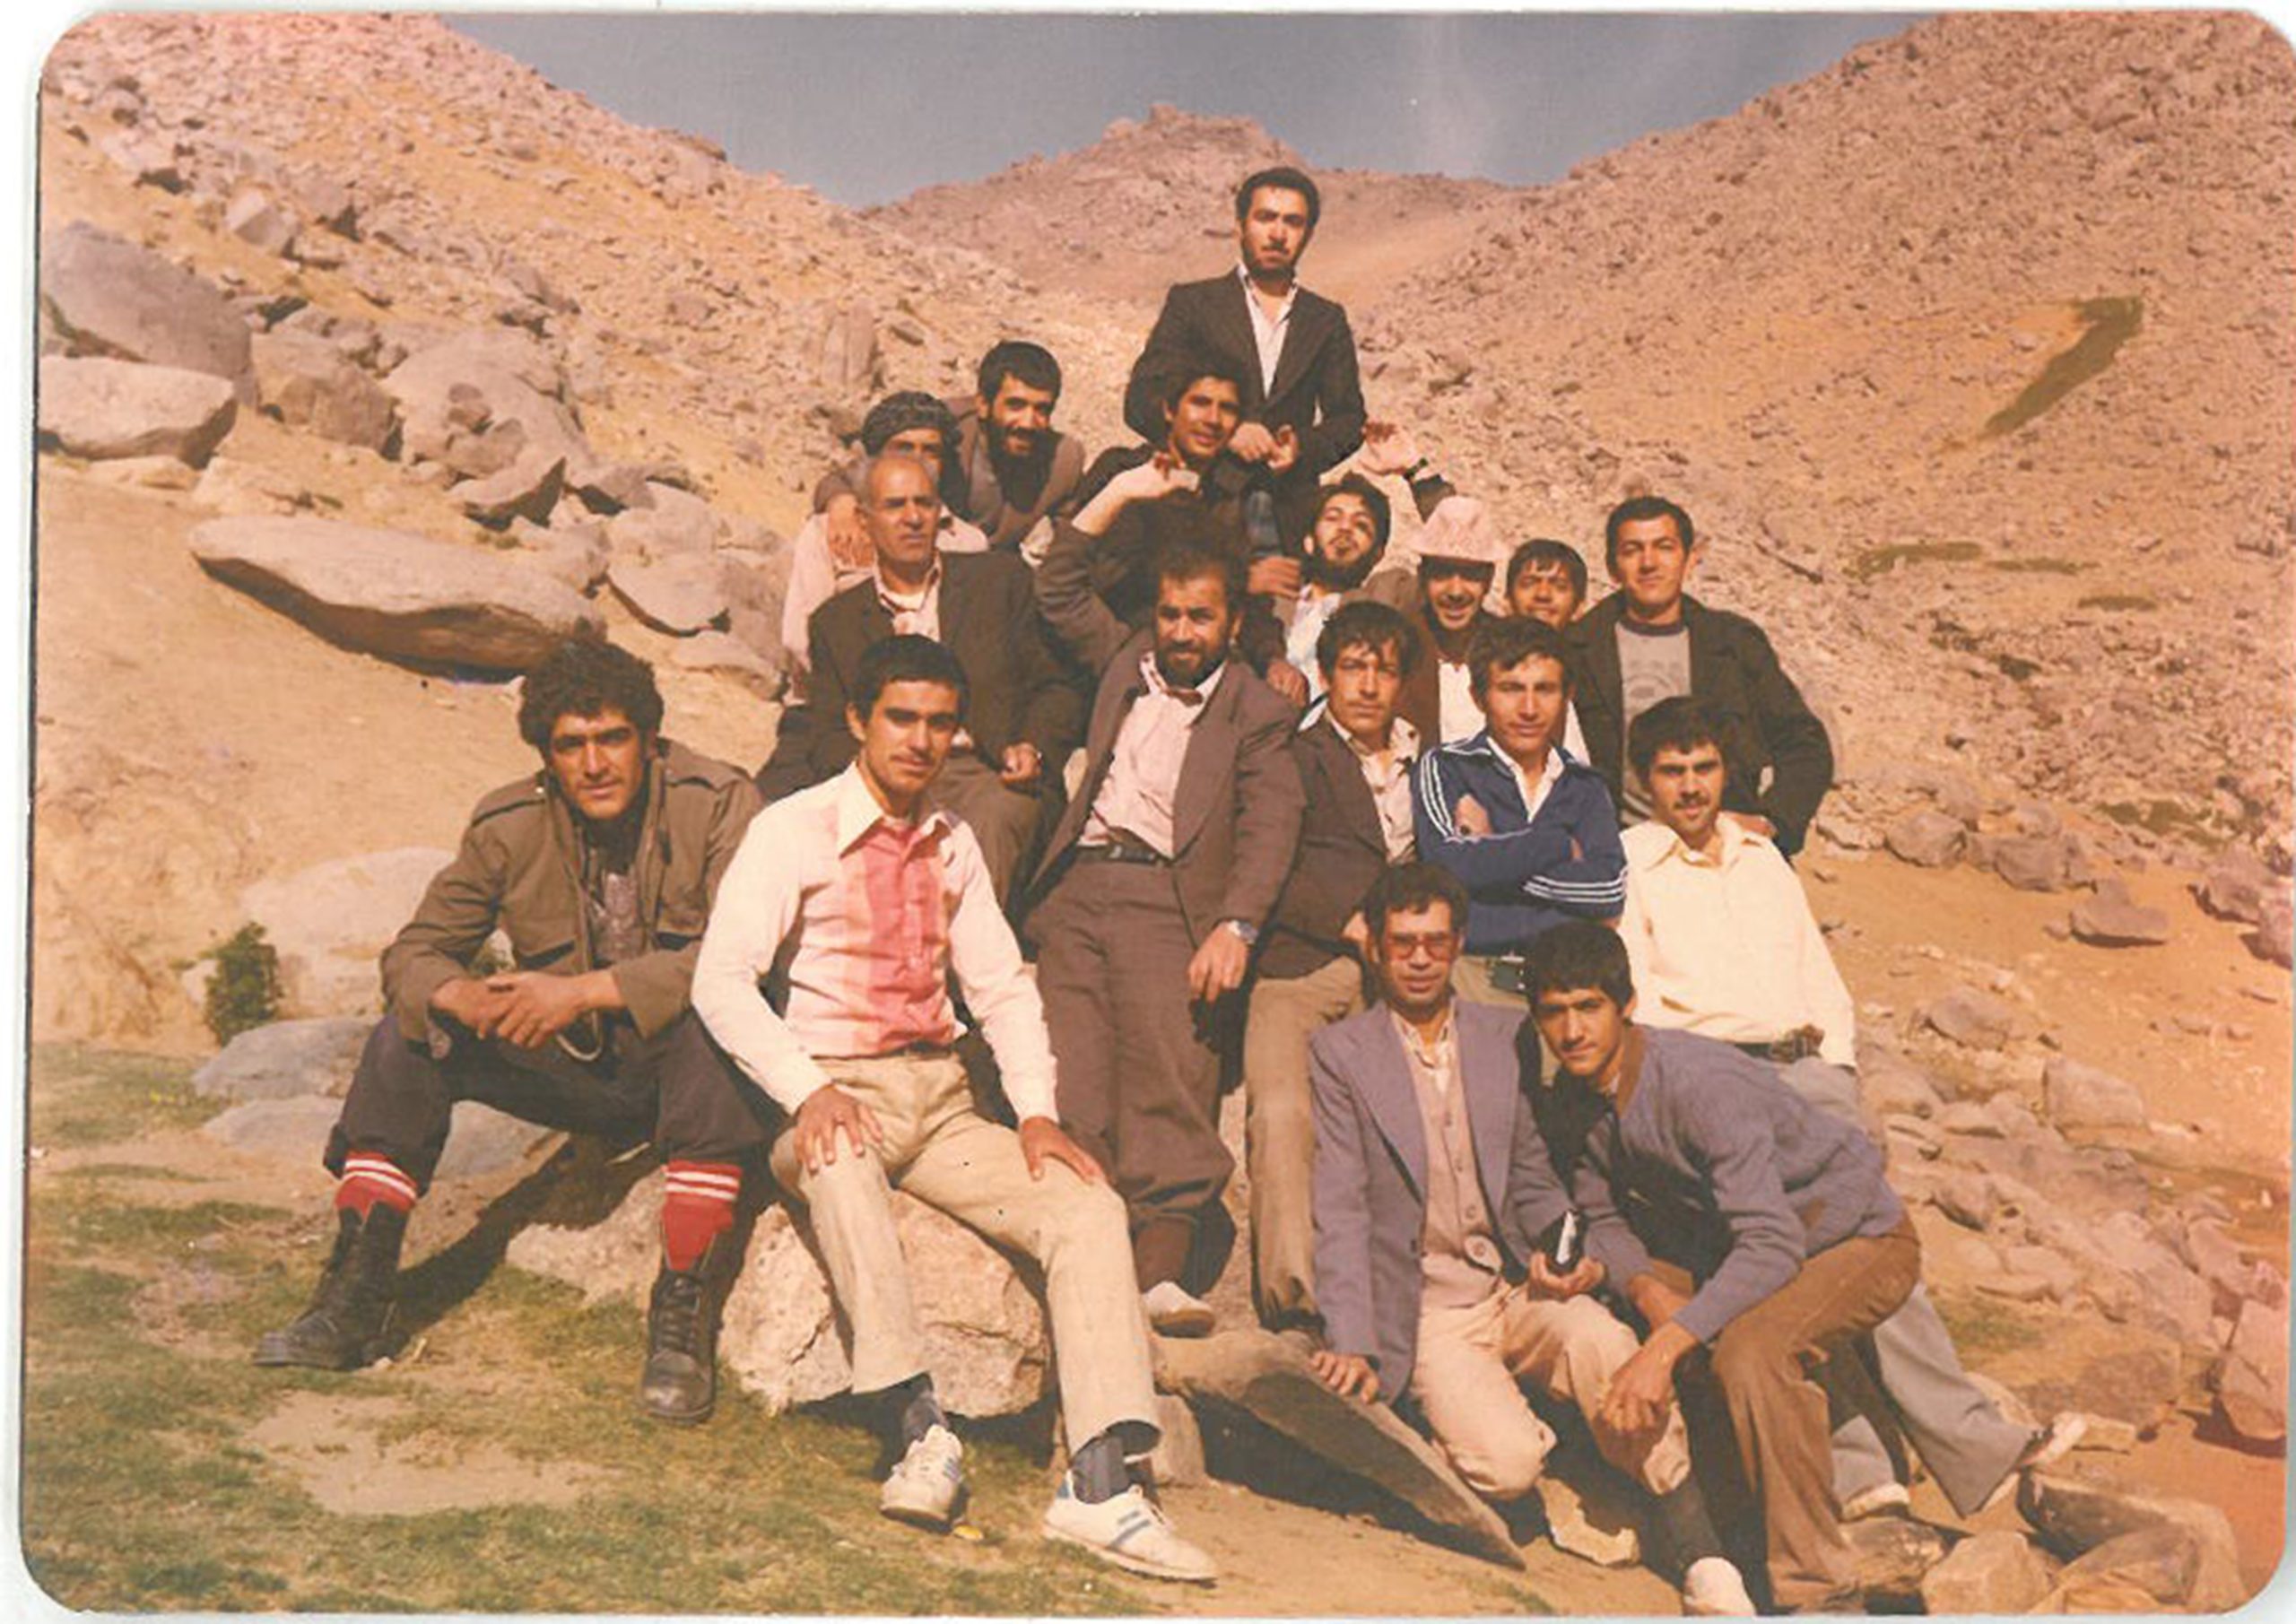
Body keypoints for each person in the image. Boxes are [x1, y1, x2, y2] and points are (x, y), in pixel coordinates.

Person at [691, 636, 1214, 1583]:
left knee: (1086, 1203)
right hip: (832, 1085)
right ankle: (917, 1431)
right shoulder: (793, 828)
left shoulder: (953, 838)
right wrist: (807, 1089)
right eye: (901, 717)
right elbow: (721, 980)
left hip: (939, 1100)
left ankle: (1099, 1484)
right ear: (857, 719)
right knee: (841, 1165)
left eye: (940, 722)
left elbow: (1000, 988)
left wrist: (1037, 1112)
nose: (920, 740)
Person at [256, 637, 767, 1429]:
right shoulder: (509, 822)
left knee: (714, 1022)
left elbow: (744, 957)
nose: (594, 764)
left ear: (649, 737)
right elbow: (414, 952)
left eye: (613, 738)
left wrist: (581, 992)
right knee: (410, 1035)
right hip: (578, 1069)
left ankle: (681, 1318)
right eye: (571, 744)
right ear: (546, 755)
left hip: (685, 1068)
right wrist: (459, 994)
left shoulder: (721, 801)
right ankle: (357, 1290)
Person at [1619, 697, 2083, 1520]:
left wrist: (1835, 1064)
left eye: (1704, 768)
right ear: (1644, 781)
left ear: (1725, 770)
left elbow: (1817, 973)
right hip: (1721, 1084)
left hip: (1808, 1073)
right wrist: (1708, 1084)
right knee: (1793, 1262)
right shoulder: (1630, 865)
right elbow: (1638, 999)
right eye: (1671, 771)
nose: (1690, 787)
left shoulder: (1763, 858)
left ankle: (1911, 1461)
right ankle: (1895, 1462)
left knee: (1870, 1247)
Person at [1308, 864, 1754, 1615]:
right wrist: (1350, 1337)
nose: (1420, 959)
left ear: (1459, 944)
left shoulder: (1502, 1033)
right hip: (1429, 1311)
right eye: (1403, 943)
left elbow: (1532, 1172)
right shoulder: (1342, 1053)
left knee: (1606, 1347)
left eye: (1435, 942)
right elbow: (1341, 1201)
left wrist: (1559, 1247)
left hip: (1513, 1284)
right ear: (1376, 949)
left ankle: (1702, 1553)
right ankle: (1547, 1458)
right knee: (1508, 1463)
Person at [1525, 921, 1920, 1613]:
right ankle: (1734, 1533)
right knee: (1634, 1306)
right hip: (1741, 1242)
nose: (1572, 1030)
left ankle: (1820, 1588)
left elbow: (1771, 1242)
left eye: (1589, 1006)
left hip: (1854, 1237)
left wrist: (1663, 1348)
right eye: (1554, 1012)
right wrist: (1650, 1294)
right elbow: (1599, 1213)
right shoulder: (1579, 1096)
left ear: (1627, 1004)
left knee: (1753, 1353)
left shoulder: (1700, 1085)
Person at [1027, 534, 1305, 1335]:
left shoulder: (1256, 710)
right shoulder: (1126, 663)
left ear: (1234, 622)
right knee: (1073, 1081)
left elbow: (1272, 820)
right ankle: (1083, 1271)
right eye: (1171, 614)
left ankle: (1157, 1278)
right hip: (1079, 889)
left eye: (1200, 617)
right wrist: (1127, 495)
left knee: (1170, 1080)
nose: (1182, 632)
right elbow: (1060, 586)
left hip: (1168, 899)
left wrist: (1236, 924)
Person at [756, 455, 1083, 900]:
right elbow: (828, 731)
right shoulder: (837, 622)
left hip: (986, 773)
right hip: (886, 774)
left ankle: (951, 942)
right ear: (866, 521)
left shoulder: (998, 582)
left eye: (924, 504)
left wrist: (1033, 747)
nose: (912, 518)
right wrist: (878, 777)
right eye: (895, 506)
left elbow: (1057, 687)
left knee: (993, 820)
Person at [1239, 601, 1422, 1331]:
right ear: (1325, 673)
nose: (1369, 685)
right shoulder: (1293, 753)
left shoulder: (1428, 765)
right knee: (1283, 1115)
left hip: (1393, 981)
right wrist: (1343, 919)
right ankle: (1297, 1304)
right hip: (1299, 968)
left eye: (1384, 670)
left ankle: (1394, 1304)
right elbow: (1261, 858)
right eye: (1353, 667)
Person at [1565, 496, 1832, 855]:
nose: (1649, 563)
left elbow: (1804, 743)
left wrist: (1773, 822)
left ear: (1690, 558)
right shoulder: (1578, 649)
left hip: (1724, 855)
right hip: (1620, 853)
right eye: (1632, 550)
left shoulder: (1734, 645)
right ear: (1613, 567)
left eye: (1664, 547)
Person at [1122, 166, 1363, 544]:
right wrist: (1225, 431)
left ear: (1308, 234)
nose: (1278, 233)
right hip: (1192, 499)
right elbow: (1142, 399)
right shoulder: (1193, 303)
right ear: (1240, 226)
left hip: (1284, 512)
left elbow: (1348, 419)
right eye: (1265, 217)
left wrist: (1300, 448)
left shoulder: (1326, 320)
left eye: (1293, 222)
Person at [1048, 358, 1296, 697]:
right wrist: (1236, 578)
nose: (1212, 419)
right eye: (1200, 403)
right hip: (1096, 653)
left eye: (1227, 409)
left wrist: (1273, 660)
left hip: (1181, 660)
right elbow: (1099, 574)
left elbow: (1254, 609)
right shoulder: (1123, 471)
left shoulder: (1230, 497)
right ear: (1169, 410)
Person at [1413, 618, 1624, 1009]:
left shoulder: (1586, 785)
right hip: (1472, 977)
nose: (1529, 709)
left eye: (1544, 689)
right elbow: (1448, 869)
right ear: (1479, 697)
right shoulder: (1446, 767)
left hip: (1568, 986)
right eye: (1510, 689)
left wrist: (1490, 851)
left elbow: (1607, 890)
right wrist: (1557, 845)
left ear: (1567, 695)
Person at [813, 340, 1087, 561]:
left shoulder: (1063, 461)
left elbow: (1071, 536)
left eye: (1042, 409)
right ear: (983, 404)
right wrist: (841, 503)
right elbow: (845, 478)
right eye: (1016, 405)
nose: (1028, 422)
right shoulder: (939, 428)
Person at [781, 392, 990, 678]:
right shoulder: (826, 531)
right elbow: (801, 638)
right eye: (903, 448)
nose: (917, 460)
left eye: (930, 451)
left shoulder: (969, 544)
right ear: (876, 455)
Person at [1502, 537, 1592, 762]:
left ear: (1580, 606)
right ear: (1507, 599)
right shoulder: (1485, 670)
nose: (1543, 595)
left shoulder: (1591, 678)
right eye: (1529, 583)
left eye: (1559, 586)